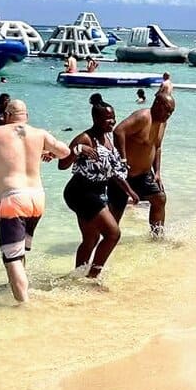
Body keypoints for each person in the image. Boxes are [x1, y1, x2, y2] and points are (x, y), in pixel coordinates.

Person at [0, 99, 73, 303]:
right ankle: (18, 286)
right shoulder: (39, 133)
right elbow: (65, 152)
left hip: (13, 199)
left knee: (12, 259)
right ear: (26, 116)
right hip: (37, 199)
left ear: (6, 116)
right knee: (19, 253)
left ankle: (24, 306)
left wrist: (3, 163)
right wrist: (47, 154)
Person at [59, 100, 138, 281]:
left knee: (91, 239)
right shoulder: (85, 138)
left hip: (97, 191)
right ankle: (93, 277)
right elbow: (62, 164)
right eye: (108, 119)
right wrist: (78, 149)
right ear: (96, 118)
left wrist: (129, 191)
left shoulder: (108, 138)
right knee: (113, 234)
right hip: (80, 192)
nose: (112, 122)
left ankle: (76, 278)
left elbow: (112, 171)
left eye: (113, 118)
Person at [116, 92, 174, 236]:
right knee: (115, 211)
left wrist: (158, 172)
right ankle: (107, 243)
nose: (168, 114)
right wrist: (123, 160)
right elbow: (118, 131)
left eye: (171, 112)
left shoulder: (162, 123)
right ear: (157, 104)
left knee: (159, 199)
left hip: (144, 174)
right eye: (166, 109)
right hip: (124, 174)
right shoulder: (143, 116)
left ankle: (157, 236)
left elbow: (157, 146)